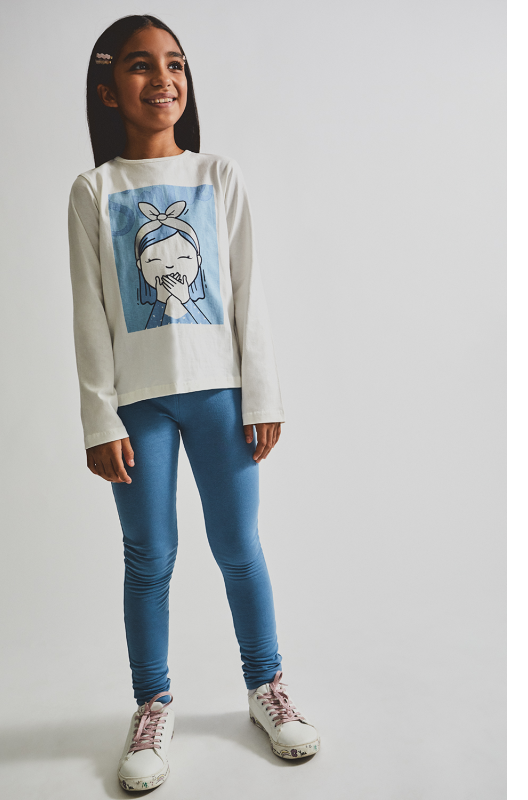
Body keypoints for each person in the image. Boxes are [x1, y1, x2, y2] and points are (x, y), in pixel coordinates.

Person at [68, 14, 320, 792]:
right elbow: (89, 313)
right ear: (109, 90)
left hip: (220, 395)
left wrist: (262, 393)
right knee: (149, 556)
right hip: (137, 404)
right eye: (141, 66)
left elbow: (247, 291)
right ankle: (152, 705)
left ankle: (267, 687)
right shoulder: (94, 190)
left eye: (175, 64)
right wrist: (99, 417)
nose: (163, 78)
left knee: (238, 546)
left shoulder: (219, 176)